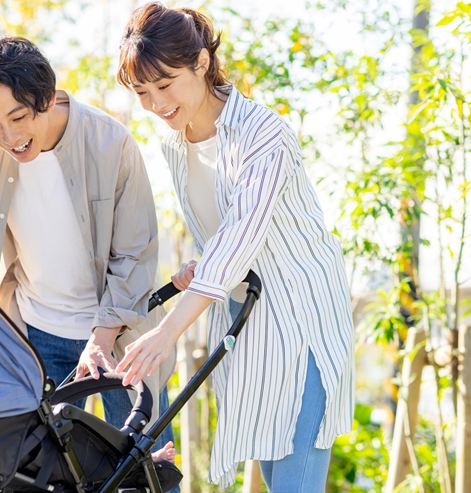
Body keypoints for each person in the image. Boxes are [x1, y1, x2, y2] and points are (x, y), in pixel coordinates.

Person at [114, 3, 355, 491]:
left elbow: (243, 233)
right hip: (249, 333)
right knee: (272, 476)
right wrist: (197, 268)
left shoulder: (264, 134)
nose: (156, 104)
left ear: (201, 63)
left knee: (294, 481)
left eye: (165, 85)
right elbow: (224, 239)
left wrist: (167, 334)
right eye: (142, 91)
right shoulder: (177, 145)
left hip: (301, 324)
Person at [0, 36, 176, 462]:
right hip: (38, 333)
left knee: (142, 472)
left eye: (18, 116)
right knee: (38, 473)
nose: (9, 136)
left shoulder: (111, 144)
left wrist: (102, 338)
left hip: (119, 339)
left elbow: (135, 254)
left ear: (47, 98)